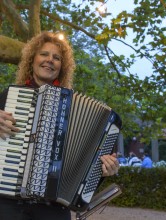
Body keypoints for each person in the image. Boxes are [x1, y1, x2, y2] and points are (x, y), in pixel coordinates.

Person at [0, 31, 119, 220]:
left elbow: (92, 166)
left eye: (56, 58)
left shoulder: (73, 106)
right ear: (32, 59)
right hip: (8, 206)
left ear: (62, 67)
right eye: (44, 54)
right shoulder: (10, 97)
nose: (50, 60)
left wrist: (106, 169)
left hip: (53, 210)